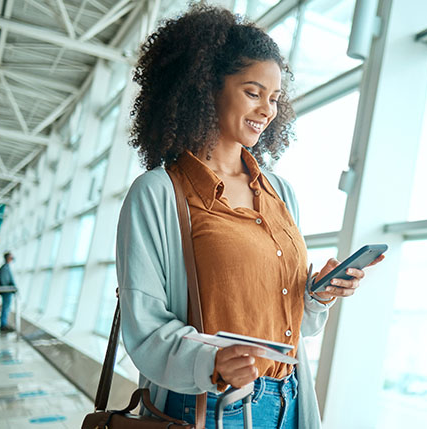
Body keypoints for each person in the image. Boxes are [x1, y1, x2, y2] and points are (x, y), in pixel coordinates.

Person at [116, 5, 383, 429]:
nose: (268, 110)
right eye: (253, 92)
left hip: (290, 400)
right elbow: (145, 328)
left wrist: (316, 295)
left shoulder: (281, 192)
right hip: (214, 406)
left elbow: (292, 325)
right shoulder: (159, 194)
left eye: (275, 98)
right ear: (206, 88)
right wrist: (213, 361)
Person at [0, 251, 16, 334]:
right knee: (5, 308)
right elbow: (4, 280)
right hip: (6, 292)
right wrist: (8, 288)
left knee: (6, 308)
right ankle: (3, 325)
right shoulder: (5, 268)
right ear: (8, 258)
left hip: (7, 291)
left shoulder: (6, 267)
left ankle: (4, 324)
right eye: (11, 257)